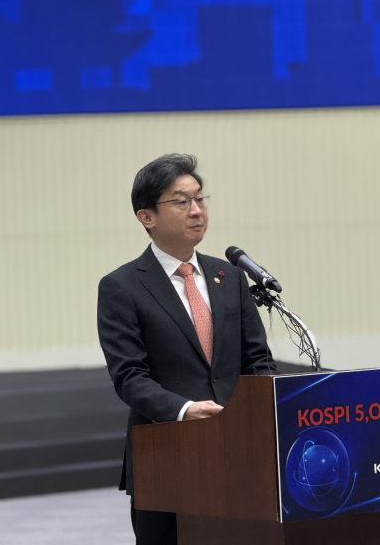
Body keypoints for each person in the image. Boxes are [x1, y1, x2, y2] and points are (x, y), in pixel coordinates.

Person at [97, 153, 277, 545]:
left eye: (200, 198)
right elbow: (129, 376)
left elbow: (257, 360)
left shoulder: (229, 276)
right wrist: (184, 410)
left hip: (241, 452)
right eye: (182, 202)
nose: (197, 210)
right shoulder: (121, 287)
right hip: (166, 457)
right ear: (147, 216)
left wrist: (264, 409)